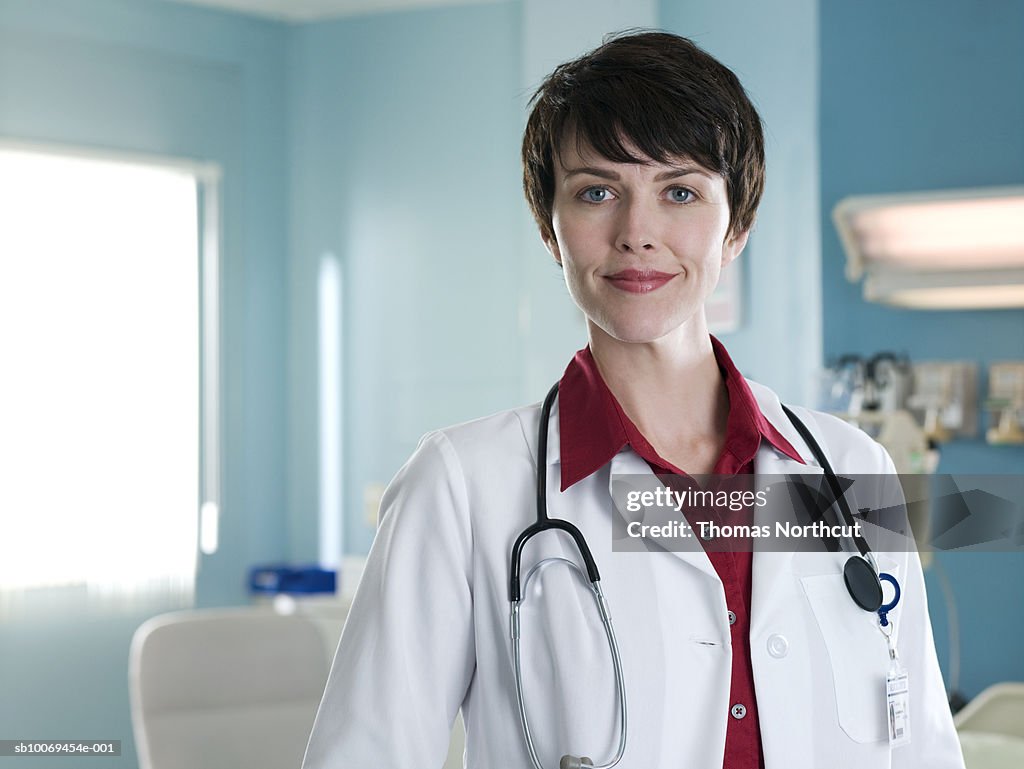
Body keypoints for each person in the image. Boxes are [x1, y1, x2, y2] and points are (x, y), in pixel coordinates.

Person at [301, 31, 965, 769]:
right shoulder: (461, 487)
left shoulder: (848, 468)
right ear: (551, 230)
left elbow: (924, 751)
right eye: (596, 192)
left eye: (679, 191)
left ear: (736, 225)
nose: (636, 234)